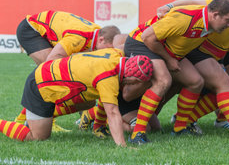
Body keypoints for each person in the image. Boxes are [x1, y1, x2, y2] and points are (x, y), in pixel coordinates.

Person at [155, 0, 229, 139]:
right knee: (222, 82)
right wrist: (169, 6)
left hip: (211, 53)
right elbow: (193, 0)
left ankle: (184, 122)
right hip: (197, 48)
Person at [125, 0, 229, 144]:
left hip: (165, 48)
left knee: (195, 82)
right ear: (215, 14)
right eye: (228, 20)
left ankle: (179, 128)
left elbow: (198, 2)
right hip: (141, 42)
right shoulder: (184, 19)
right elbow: (147, 36)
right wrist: (169, 59)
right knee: (164, 80)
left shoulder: (211, 21)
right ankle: (137, 133)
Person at [0, 49, 153, 147]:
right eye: (137, 83)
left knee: (89, 102)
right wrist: (122, 146)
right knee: (38, 137)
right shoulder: (108, 78)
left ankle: (36, 118)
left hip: (50, 76)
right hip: (41, 86)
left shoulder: (116, 54)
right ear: (132, 78)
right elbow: (112, 113)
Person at [15, 10, 121, 130]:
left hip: (47, 31)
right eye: (108, 49)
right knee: (50, 76)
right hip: (31, 30)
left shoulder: (96, 36)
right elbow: (52, 59)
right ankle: (28, 119)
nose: (109, 53)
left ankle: (84, 114)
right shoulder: (80, 37)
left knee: (86, 97)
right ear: (101, 40)